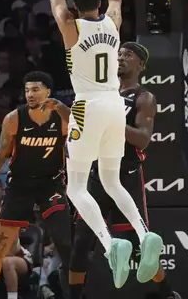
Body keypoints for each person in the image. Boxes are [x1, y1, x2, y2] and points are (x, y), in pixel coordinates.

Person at [47, 0, 162, 288]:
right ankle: (145, 237)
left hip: (86, 107)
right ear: (98, 4)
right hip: (115, 104)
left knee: (76, 187)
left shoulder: (70, 26)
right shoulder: (112, 24)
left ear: (75, 7)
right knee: (111, 181)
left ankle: (110, 243)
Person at [68, 43, 180, 298]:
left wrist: (113, 123)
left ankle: (167, 293)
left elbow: (142, 139)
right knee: (81, 243)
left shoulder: (144, 97)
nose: (120, 58)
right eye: (118, 54)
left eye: (127, 55)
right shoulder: (102, 92)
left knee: (142, 247)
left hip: (125, 175)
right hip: (96, 174)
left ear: (140, 64)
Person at [0, 71, 71, 299]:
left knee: (64, 242)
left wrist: (64, 108)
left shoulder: (61, 117)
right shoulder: (14, 118)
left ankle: (75, 293)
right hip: (20, 187)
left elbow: (82, 129)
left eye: (35, 89)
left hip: (51, 185)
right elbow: (0, 155)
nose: (29, 94)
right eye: (26, 90)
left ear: (48, 92)